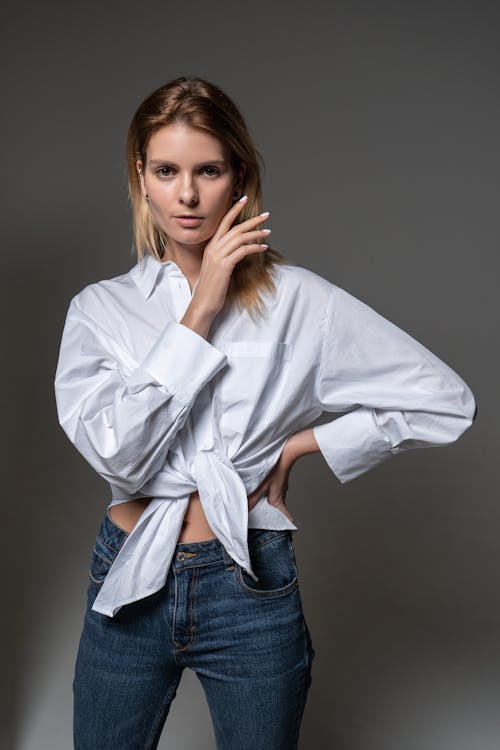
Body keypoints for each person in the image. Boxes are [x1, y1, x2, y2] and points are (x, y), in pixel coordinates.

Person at [53, 75, 477, 750]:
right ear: (141, 176)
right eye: (166, 171)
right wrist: (203, 307)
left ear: (240, 175)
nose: (186, 195)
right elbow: (119, 458)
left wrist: (301, 445)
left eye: (208, 170)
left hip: (250, 582)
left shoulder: (299, 301)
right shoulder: (100, 311)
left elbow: (447, 403)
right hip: (128, 575)